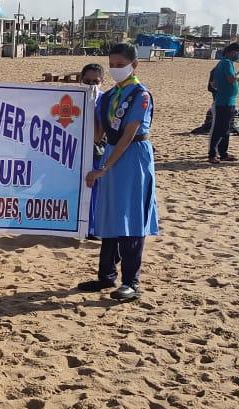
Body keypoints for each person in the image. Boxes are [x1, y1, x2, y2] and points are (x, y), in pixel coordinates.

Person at [78, 43, 160, 302]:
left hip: (132, 157)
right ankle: (106, 275)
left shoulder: (140, 95)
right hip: (111, 154)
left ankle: (131, 282)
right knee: (110, 214)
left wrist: (105, 166)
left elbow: (130, 133)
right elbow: (99, 132)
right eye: (111, 65)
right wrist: (86, 102)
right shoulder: (111, 95)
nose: (115, 69)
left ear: (133, 65)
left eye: (119, 65)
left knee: (131, 218)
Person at [208, 43, 239, 164]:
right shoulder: (226, 63)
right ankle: (212, 154)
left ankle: (223, 153)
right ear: (230, 52)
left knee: (226, 129)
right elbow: (231, 79)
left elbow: (225, 81)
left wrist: (238, 75)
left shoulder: (226, 63)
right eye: (236, 52)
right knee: (219, 128)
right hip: (224, 102)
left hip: (228, 100)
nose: (238, 54)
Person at [81, 63, 105, 241]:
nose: (91, 85)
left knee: (94, 190)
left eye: (95, 81)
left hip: (97, 151)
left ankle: (92, 227)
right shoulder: (70, 99)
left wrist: (94, 107)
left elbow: (97, 136)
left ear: (102, 82)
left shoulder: (105, 101)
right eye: (87, 81)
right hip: (74, 151)